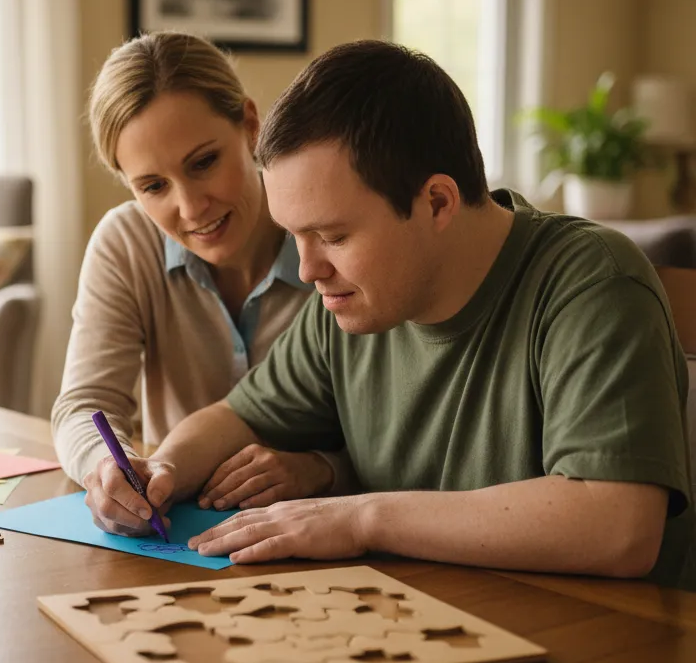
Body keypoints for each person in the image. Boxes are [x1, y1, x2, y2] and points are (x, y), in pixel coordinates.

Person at [84, 38, 694, 589]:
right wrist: (160, 469)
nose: (306, 270)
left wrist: (362, 517)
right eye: (294, 235)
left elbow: (619, 526)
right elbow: (234, 418)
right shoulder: (349, 304)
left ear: (436, 202)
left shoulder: (591, 281)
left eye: (333, 235)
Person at [53, 31, 347, 532]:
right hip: (181, 532)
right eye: (153, 186)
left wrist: (323, 469)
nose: (190, 208)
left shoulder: (333, 233)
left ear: (250, 126)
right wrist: (109, 468)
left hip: (320, 528)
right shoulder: (126, 243)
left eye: (204, 162)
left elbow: (395, 429)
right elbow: (85, 405)